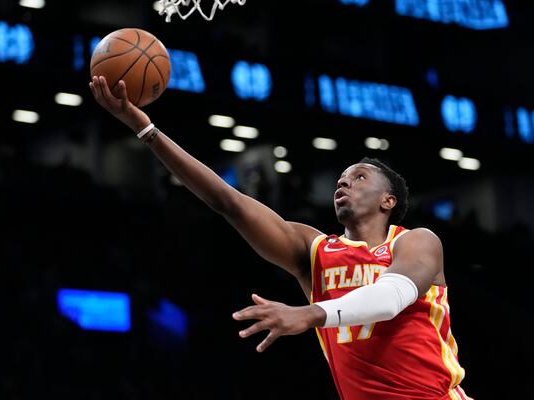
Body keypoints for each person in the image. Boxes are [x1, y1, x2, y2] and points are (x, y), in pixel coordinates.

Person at [89, 76, 471, 400]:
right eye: (341, 177)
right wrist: (146, 130)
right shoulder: (315, 251)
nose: (343, 181)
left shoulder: (416, 242)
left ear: (389, 200)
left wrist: (310, 313)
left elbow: (389, 299)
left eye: (359, 178)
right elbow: (228, 201)